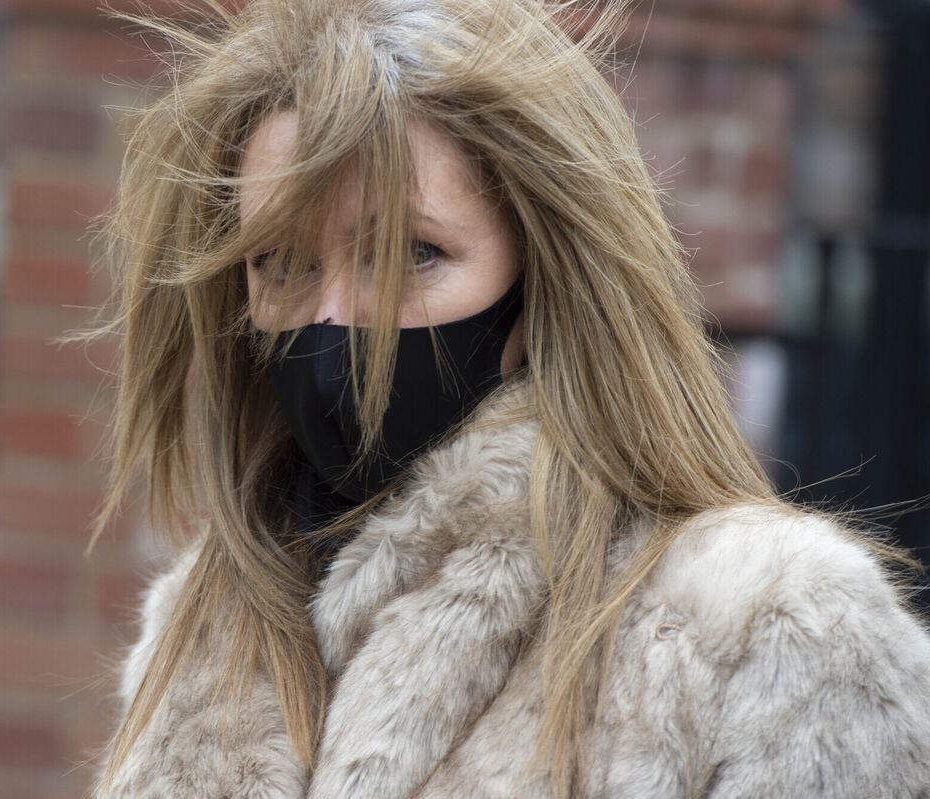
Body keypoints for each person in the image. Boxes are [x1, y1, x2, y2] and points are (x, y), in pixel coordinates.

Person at [88, 0, 930, 796]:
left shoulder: (775, 628)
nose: (336, 319)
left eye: (412, 252)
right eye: (279, 261)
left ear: (541, 278)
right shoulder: (200, 626)